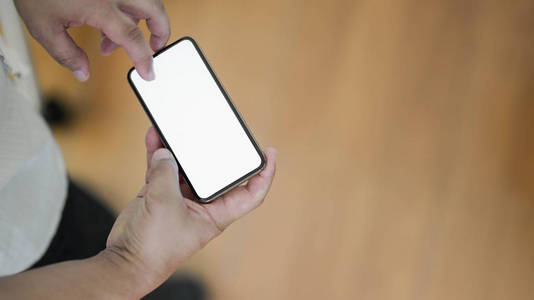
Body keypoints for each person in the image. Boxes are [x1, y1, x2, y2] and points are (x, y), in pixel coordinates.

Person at [0, 0, 276, 298]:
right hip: (18, 254)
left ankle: (152, 287)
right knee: (86, 240)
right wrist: (133, 265)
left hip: (29, 172)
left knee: (83, 223)